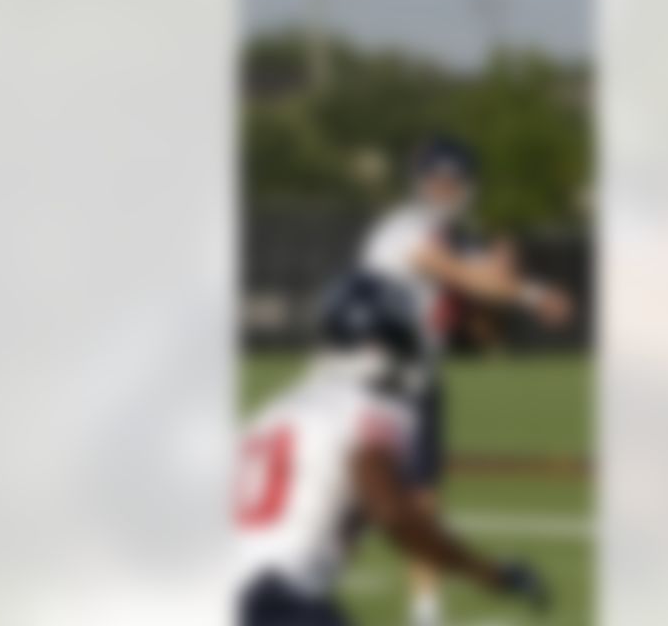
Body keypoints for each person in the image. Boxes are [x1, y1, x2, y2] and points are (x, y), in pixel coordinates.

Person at [236, 272, 551, 625]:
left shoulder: (273, 412)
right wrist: (487, 573)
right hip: (271, 601)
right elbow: (392, 511)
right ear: (384, 343)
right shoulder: (366, 407)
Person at [356, 136, 572, 626]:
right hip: (368, 387)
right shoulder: (402, 229)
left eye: (453, 181)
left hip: (420, 385)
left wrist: (510, 285)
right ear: (418, 182)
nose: (443, 189)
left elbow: (484, 313)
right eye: (435, 179)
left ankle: (426, 615)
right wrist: (533, 295)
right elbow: (464, 274)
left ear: (467, 188)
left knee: (423, 512)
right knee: (347, 512)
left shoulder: (455, 235)